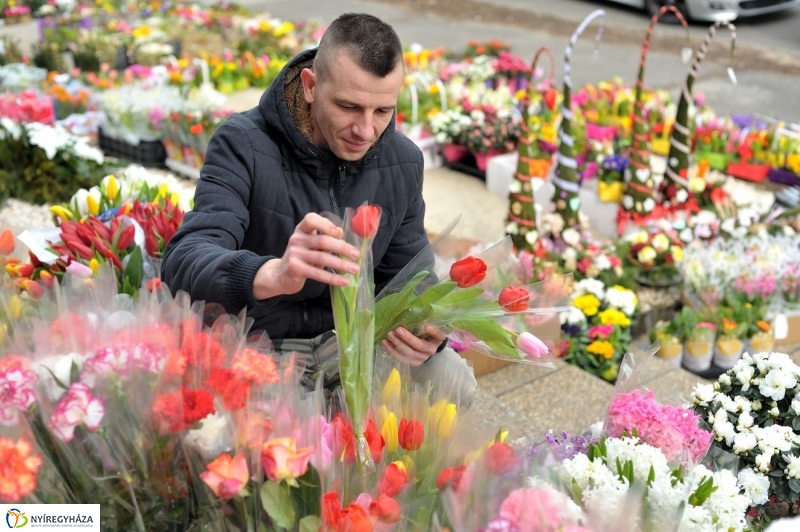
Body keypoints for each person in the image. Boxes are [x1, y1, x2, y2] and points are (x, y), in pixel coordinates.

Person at [161, 13, 477, 407]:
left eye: (382, 112)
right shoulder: (243, 142)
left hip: (354, 339)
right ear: (310, 86)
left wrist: (428, 327)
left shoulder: (402, 159)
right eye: (348, 106)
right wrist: (273, 273)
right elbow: (183, 260)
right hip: (261, 341)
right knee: (277, 440)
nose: (366, 130)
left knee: (451, 385)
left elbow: (411, 273)